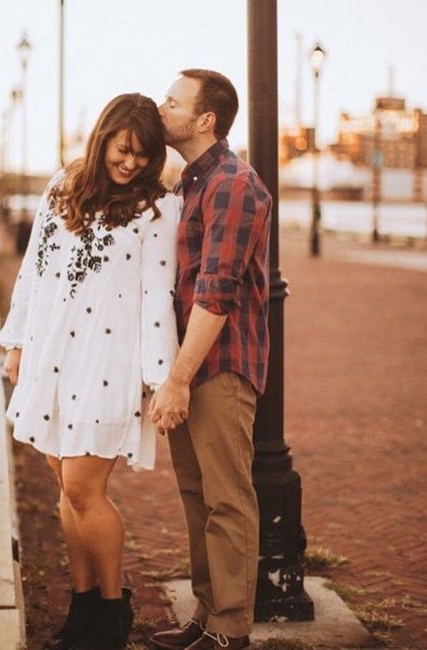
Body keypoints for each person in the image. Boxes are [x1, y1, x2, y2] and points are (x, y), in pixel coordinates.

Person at [0, 93, 182, 650]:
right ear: (102, 138)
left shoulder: (158, 208)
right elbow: (33, 270)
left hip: (107, 360)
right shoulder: (63, 186)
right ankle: (82, 609)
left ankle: (111, 610)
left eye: (143, 155)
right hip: (51, 353)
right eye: (123, 150)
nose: (131, 163)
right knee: (66, 486)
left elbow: (158, 295)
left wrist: (162, 377)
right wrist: (16, 343)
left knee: (84, 486)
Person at [149, 70, 272, 650]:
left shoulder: (231, 184)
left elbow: (217, 290)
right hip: (188, 363)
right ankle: (206, 615)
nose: (161, 107)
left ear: (206, 120)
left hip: (218, 364)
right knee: (197, 497)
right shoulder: (189, 183)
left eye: (172, 102)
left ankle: (229, 630)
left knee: (227, 498)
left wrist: (177, 379)